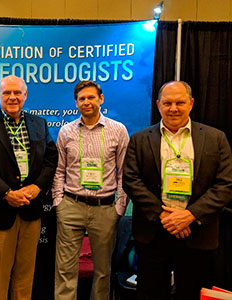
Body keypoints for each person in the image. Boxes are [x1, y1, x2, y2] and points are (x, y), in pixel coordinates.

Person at [123, 81, 232, 300]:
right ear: (158, 105)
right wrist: (164, 216)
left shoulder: (215, 138)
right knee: (150, 293)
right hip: (153, 232)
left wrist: (189, 216)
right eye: (167, 103)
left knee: (192, 293)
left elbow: (225, 185)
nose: (174, 108)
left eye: (180, 102)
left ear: (191, 104)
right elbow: (131, 180)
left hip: (197, 232)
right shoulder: (139, 139)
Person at [0, 75, 58, 300]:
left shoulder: (39, 123)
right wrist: (7, 194)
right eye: (7, 93)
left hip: (31, 211)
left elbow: (50, 158)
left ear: (25, 95)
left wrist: (38, 187)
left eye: (17, 93)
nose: (12, 97)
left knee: (25, 277)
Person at [52, 80, 129, 300]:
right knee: (65, 269)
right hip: (71, 206)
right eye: (81, 99)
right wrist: (59, 202)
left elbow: (124, 172)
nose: (86, 102)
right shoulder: (66, 131)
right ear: (76, 103)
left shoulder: (118, 130)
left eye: (91, 97)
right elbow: (59, 170)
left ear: (101, 99)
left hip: (105, 209)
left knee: (103, 271)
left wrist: (119, 207)